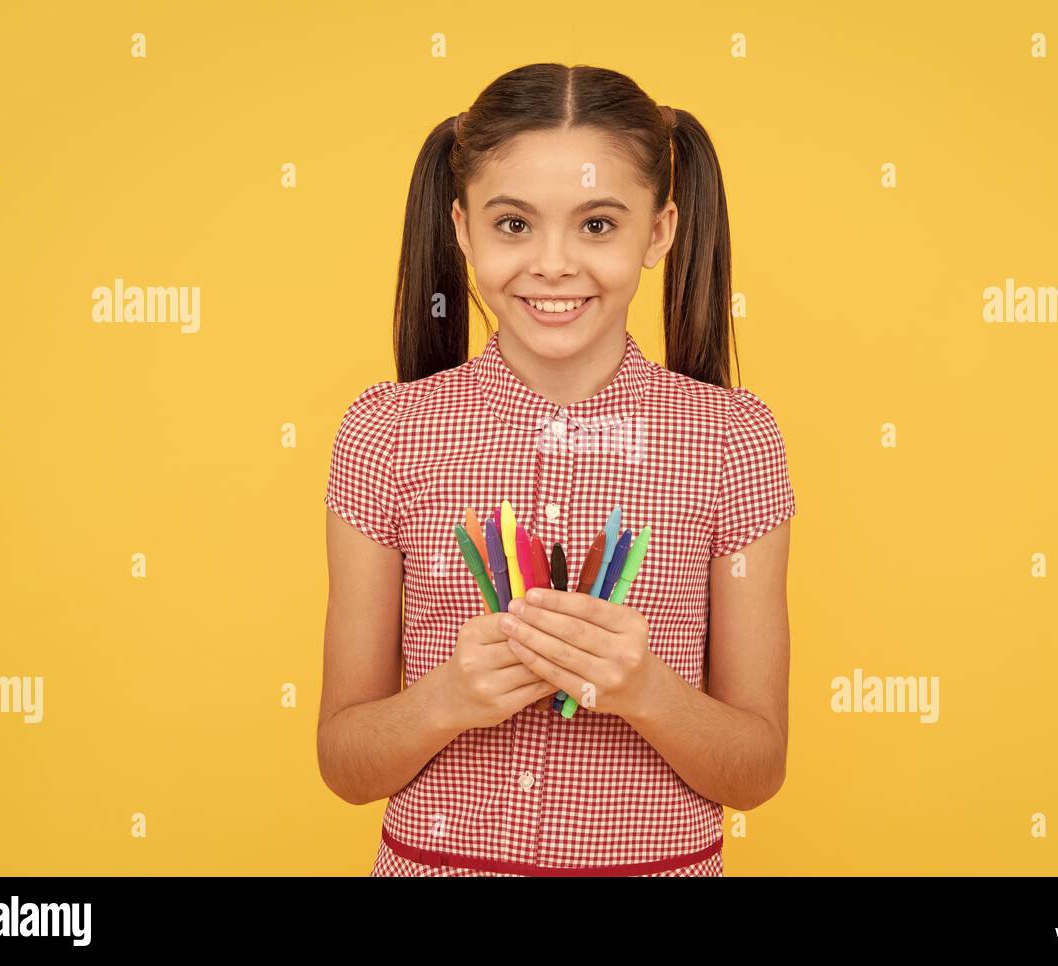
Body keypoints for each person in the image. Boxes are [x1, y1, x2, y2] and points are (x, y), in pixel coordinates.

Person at [318, 63, 795, 876]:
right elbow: (344, 763)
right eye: (514, 226)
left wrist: (646, 689)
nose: (553, 265)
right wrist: (448, 698)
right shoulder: (385, 433)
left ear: (659, 232)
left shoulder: (732, 441)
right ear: (462, 229)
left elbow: (756, 771)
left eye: (598, 226)